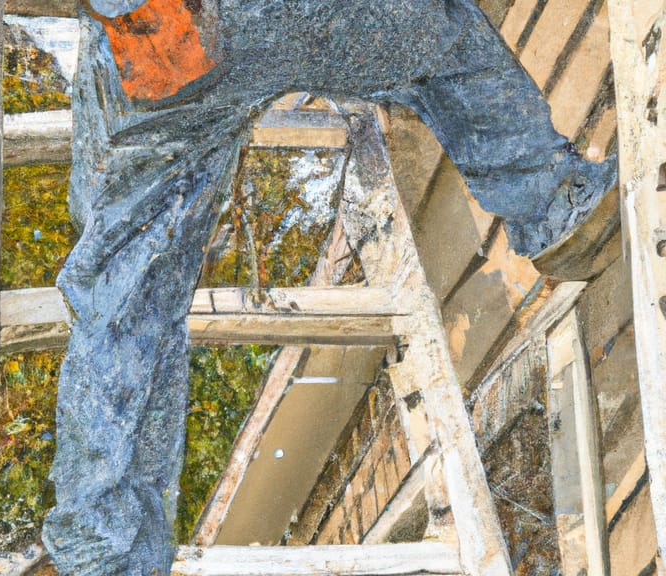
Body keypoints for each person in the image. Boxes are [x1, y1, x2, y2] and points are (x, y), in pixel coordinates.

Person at [40, 0, 618, 574]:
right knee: (443, 42)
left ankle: (108, 550)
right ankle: (552, 206)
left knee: (127, 295)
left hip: (147, 52)